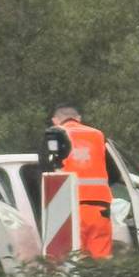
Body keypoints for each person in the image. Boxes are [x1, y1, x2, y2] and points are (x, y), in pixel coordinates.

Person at [50, 104, 113, 259]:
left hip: (69, 207)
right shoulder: (98, 135)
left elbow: (46, 170)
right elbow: (113, 172)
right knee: (101, 257)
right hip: (99, 207)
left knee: (73, 259)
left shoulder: (54, 135)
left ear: (55, 120)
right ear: (79, 118)